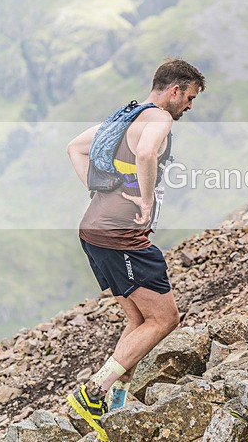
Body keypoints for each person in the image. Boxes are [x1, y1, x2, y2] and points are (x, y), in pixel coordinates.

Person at [65, 59, 205, 441]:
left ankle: (117, 400)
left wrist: (100, 191)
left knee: (140, 320)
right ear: (174, 90)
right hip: (121, 235)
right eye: (189, 97)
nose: (189, 106)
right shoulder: (159, 118)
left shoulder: (128, 115)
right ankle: (91, 394)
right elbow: (145, 155)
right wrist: (144, 202)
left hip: (94, 229)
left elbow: (75, 148)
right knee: (165, 319)